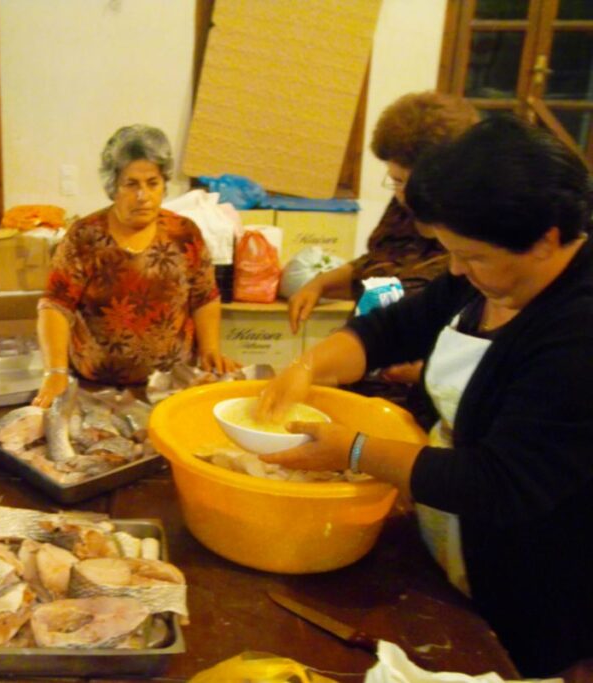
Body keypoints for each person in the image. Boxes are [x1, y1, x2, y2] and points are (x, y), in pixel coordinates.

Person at [256, 117, 593, 676]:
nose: (457, 269)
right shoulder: (486, 272)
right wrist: (309, 366)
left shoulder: (578, 329)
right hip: (449, 545)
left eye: (473, 256)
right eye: (451, 251)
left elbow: (500, 482)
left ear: (547, 239)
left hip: (536, 577)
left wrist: (354, 451)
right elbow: (392, 328)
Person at [286, 92, 479, 424]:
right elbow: (379, 264)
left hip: (419, 410)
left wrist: (427, 371)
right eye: (396, 181)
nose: (403, 194)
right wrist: (320, 285)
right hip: (364, 380)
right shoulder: (402, 211)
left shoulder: (474, 244)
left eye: (410, 182)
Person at [34, 124, 238, 407]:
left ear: (164, 184)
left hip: (173, 385)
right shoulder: (85, 236)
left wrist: (211, 349)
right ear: (113, 187)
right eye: (131, 184)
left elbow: (205, 297)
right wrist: (54, 371)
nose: (143, 196)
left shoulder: (184, 233)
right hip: (96, 388)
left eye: (152, 183)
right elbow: (57, 305)